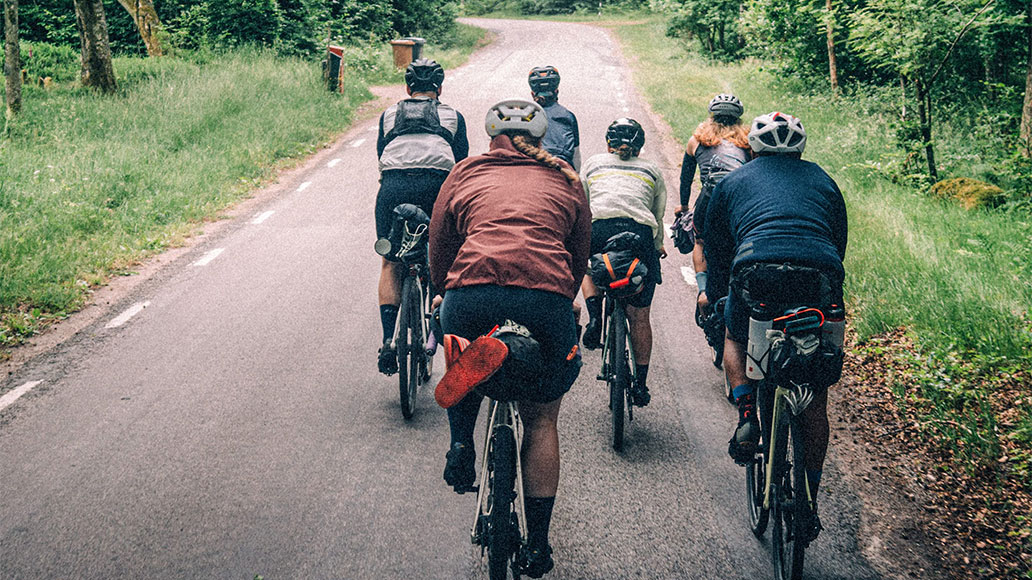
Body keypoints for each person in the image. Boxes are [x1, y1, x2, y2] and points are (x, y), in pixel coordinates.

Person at [429, 99, 590, 577]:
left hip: (472, 293)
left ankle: (461, 444)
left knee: (463, 358)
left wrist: (445, 294)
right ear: (543, 135)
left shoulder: (464, 172)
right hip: (544, 299)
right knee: (541, 421)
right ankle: (538, 545)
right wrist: (565, 292)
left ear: (488, 134)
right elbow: (579, 253)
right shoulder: (566, 177)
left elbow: (441, 244)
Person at [703, 111, 847, 536]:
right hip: (818, 276)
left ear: (755, 147)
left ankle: (748, 414)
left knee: (735, 334)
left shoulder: (733, 182)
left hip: (756, 271)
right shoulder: (822, 178)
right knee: (815, 395)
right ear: (800, 148)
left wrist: (717, 294)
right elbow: (838, 240)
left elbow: (716, 248)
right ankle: (809, 500)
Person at [375, 59, 469, 375]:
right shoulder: (453, 116)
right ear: (439, 88)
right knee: (439, 257)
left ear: (407, 88)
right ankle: (431, 331)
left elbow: (381, 155)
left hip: (394, 186)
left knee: (391, 262)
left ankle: (389, 339)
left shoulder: (389, 114)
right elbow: (462, 165)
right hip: (436, 185)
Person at [580, 118, 667, 407]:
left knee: (586, 263)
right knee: (640, 316)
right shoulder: (652, 170)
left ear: (608, 143)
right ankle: (640, 384)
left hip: (600, 230)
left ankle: (594, 315)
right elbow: (657, 214)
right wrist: (657, 248)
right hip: (638, 234)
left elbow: (583, 205)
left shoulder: (593, 164)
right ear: (640, 146)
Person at [678, 93, 751, 314]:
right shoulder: (748, 143)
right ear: (738, 119)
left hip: (709, 200)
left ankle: (703, 292)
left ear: (711, 116)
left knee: (700, 241)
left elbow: (685, 178)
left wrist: (683, 207)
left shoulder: (697, 140)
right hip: (739, 201)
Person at [529, 66, 581, 170]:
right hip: (563, 169)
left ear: (532, 94)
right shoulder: (568, 116)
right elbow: (576, 157)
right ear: (557, 91)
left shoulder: (527, 116)